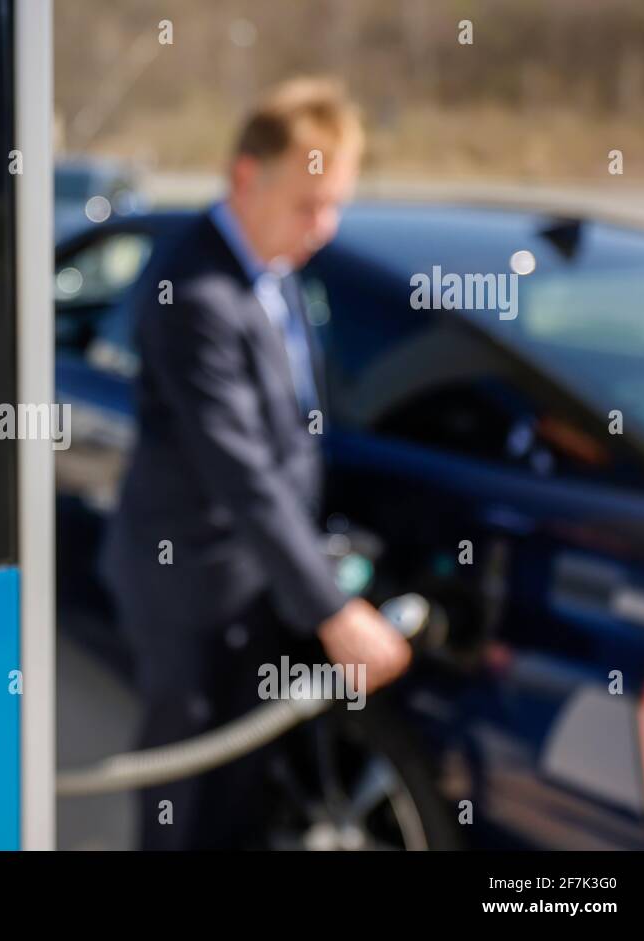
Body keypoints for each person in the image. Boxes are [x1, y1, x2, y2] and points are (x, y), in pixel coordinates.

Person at [98, 77, 412, 851]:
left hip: (257, 576)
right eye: (310, 204)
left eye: (335, 202)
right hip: (191, 582)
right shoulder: (195, 291)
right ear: (246, 176)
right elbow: (241, 468)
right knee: (185, 779)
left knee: (241, 784)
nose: (325, 226)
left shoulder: (273, 269)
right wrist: (331, 609)